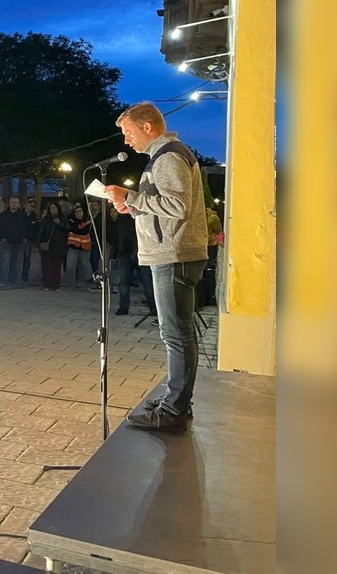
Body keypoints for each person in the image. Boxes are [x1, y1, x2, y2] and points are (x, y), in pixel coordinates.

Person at [104, 102, 208, 432]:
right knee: (176, 333)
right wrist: (132, 207)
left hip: (174, 255)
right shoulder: (162, 157)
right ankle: (176, 402)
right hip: (170, 253)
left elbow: (178, 206)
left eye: (128, 132)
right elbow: (165, 206)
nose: (126, 140)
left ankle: (174, 410)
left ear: (147, 127)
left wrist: (131, 197)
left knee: (176, 334)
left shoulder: (169, 156)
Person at [0, 197, 31, 287]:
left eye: (15, 202)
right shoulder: (4, 215)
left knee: (17, 262)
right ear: (9, 203)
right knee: (5, 261)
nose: (14, 204)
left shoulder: (23, 215)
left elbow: (28, 227)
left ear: (18, 204)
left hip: (20, 242)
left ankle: (13, 280)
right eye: (12, 202)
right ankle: (1, 280)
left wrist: (25, 237)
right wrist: (1, 237)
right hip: (7, 242)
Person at [37, 202, 69, 291]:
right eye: (51, 208)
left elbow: (67, 230)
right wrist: (39, 243)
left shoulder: (62, 219)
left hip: (59, 245)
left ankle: (56, 285)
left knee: (57, 266)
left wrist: (59, 224)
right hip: (47, 245)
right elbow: (41, 232)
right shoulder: (46, 220)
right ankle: (47, 284)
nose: (53, 209)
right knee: (47, 266)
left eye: (55, 208)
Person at [64, 204, 94, 289]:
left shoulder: (88, 221)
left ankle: (80, 282)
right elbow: (75, 229)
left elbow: (83, 231)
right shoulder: (71, 220)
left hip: (85, 246)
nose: (78, 213)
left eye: (80, 211)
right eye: (76, 212)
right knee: (70, 266)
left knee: (83, 265)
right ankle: (69, 283)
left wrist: (77, 230)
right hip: (73, 246)